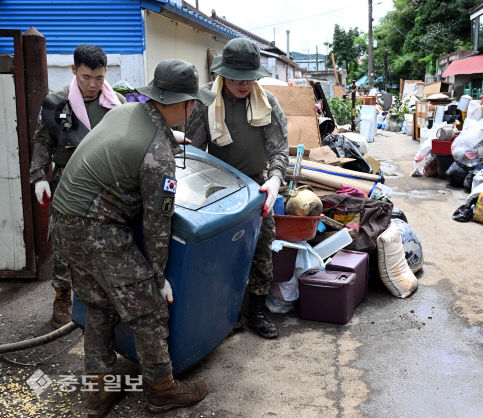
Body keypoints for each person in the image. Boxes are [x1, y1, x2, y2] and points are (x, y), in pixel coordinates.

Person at [51, 59, 216, 416]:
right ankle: (163, 389)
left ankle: (100, 391)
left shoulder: (125, 112)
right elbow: (159, 225)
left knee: (99, 304)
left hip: (63, 221)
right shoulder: (157, 156)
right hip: (96, 230)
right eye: (193, 104)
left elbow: (123, 146)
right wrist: (157, 278)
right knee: (147, 309)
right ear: (184, 104)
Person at [183, 38, 288, 339]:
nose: (244, 85)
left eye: (250, 78)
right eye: (236, 78)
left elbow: (280, 149)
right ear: (222, 73)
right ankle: (221, 313)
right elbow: (193, 154)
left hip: (256, 184)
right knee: (217, 254)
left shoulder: (267, 102)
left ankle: (256, 310)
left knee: (260, 248)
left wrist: (275, 179)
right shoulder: (203, 101)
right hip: (214, 190)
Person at [29, 44, 126, 329]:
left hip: (107, 184)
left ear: (106, 72)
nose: (93, 85)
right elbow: (43, 141)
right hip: (67, 181)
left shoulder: (117, 103)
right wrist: (39, 177)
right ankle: (62, 295)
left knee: (108, 241)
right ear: (74, 70)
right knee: (63, 243)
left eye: (99, 77)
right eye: (86, 77)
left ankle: (105, 300)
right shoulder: (55, 103)